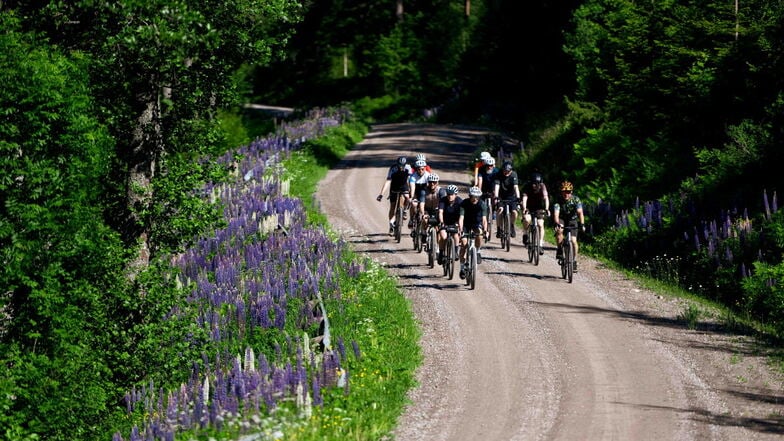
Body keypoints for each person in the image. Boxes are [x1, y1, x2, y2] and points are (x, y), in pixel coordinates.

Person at [553, 180, 586, 272]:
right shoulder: (558, 200)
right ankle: (559, 249)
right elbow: (556, 213)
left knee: (574, 241)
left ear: (571, 192)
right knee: (559, 231)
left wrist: (582, 224)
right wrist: (557, 223)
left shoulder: (576, 199)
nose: (566, 194)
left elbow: (580, 212)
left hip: (572, 220)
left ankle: (574, 260)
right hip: (562, 219)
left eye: (568, 192)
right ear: (561, 192)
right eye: (564, 192)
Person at [377, 156, 413, 235]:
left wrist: (410, 192)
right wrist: (381, 194)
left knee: (407, 197)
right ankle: (390, 226)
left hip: (403, 185)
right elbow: (388, 181)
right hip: (394, 186)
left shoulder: (408, 168)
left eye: (402, 166)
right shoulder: (393, 168)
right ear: (397, 164)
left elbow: (410, 180)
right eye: (399, 165)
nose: (400, 167)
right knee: (392, 206)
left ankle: (404, 211)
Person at [458, 186, 488, 279]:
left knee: (479, 235)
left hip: (476, 223)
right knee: (464, 243)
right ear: (470, 196)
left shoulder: (482, 204)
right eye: (473, 196)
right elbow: (461, 218)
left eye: (477, 197)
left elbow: (484, 220)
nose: (475, 198)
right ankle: (462, 267)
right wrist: (461, 230)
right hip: (466, 224)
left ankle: (478, 251)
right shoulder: (464, 203)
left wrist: (486, 231)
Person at [520, 172, 550, 252]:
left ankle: (540, 244)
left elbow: (546, 198)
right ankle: (525, 233)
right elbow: (524, 199)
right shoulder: (527, 187)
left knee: (540, 224)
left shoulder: (543, 187)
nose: (534, 185)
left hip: (539, 208)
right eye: (533, 183)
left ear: (540, 183)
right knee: (526, 219)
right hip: (529, 207)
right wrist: (524, 208)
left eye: (536, 183)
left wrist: (547, 209)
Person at [493, 161, 521, 238]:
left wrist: (518, 197)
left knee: (514, 212)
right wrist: (496, 196)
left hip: (511, 196)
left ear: (511, 170)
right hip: (501, 196)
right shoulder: (498, 174)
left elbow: (516, 187)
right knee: (500, 210)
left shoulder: (514, 174)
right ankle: (499, 229)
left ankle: (512, 225)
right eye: (505, 171)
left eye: (508, 171)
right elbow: (497, 186)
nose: (506, 173)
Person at [437, 184, 462, 265]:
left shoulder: (459, 202)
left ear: (455, 194)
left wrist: (459, 225)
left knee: (455, 235)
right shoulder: (443, 200)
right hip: (444, 222)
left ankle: (456, 251)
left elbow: (461, 215)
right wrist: (441, 222)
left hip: (454, 222)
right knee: (443, 237)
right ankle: (441, 253)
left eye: (451, 194)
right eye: (448, 194)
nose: (449, 196)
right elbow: (441, 212)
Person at [476, 157, 498, 240]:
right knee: (480, 203)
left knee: (495, 200)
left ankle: (494, 211)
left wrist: (495, 192)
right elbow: (480, 180)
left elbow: (497, 182)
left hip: (492, 188)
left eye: (491, 165)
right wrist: (479, 191)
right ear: (485, 165)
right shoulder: (481, 169)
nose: (489, 167)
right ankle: (481, 218)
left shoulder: (496, 171)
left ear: (493, 165)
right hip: (484, 188)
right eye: (488, 165)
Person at [419, 173, 446, 241]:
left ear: (437, 182)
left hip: (437, 210)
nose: (432, 184)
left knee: (438, 228)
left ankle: (436, 247)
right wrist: (423, 214)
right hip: (427, 210)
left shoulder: (441, 191)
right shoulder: (424, 191)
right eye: (430, 182)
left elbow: (444, 204)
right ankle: (423, 233)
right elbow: (422, 203)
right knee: (425, 220)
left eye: (434, 182)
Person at [408, 159, 431, 228]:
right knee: (413, 204)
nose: (420, 171)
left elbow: (429, 188)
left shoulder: (428, 175)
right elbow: (412, 189)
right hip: (416, 192)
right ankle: (411, 219)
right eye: (419, 169)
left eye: (422, 169)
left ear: (425, 168)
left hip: (424, 193)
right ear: (416, 169)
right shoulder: (413, 176)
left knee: (423, 206)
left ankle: (423, 225)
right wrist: (411, 197)